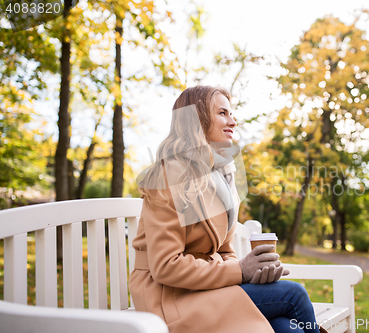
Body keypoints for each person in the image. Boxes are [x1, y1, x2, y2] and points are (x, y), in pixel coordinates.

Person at [129, 85, 326, 333]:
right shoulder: (170, 174)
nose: (232, 121)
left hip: (203, 287)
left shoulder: (217, 176)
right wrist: (240, 271)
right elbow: (166, 266)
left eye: (231, 113)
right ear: (196, 119)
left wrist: (254, 272)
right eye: (223, 113)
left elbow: (223, 251)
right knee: (294, 294)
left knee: (286, 327)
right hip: (168, 296)